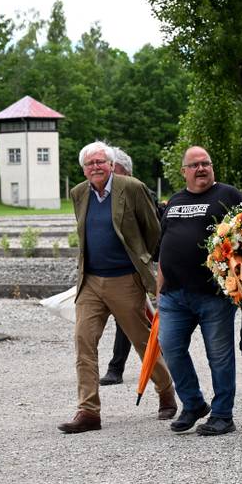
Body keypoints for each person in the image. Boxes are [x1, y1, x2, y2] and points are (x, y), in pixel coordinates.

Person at [57, 141, 176, 434]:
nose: (95, 167)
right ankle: (88, 411)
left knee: (142, 341)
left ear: (111, 165)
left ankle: (166, 390)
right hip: (90, 281)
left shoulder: (131, 188)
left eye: (100, 162)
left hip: (125, 279)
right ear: (83, 169)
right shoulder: (78, 193)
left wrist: (144, 261)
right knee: (83, 341)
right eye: (89, 163)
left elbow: (153, 229)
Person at [157, 146, 242, 436]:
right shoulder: (174, 202)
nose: (201, 168)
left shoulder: (229, 195)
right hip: (173, 296)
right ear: (183, 172)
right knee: (170, 347)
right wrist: (159, 292)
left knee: (219, 355)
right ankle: (193, 403)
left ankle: (222, 414)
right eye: (194, 165)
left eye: (206, 163)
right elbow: (163, 249)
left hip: (213, 294)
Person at [99, 147, 144, 386]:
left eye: (110, 166)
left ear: (121, 170)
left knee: (128, 319)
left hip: (129, 269)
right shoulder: (98, 194)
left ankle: (117, 368)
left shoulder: (137, 192)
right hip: (102, 270)